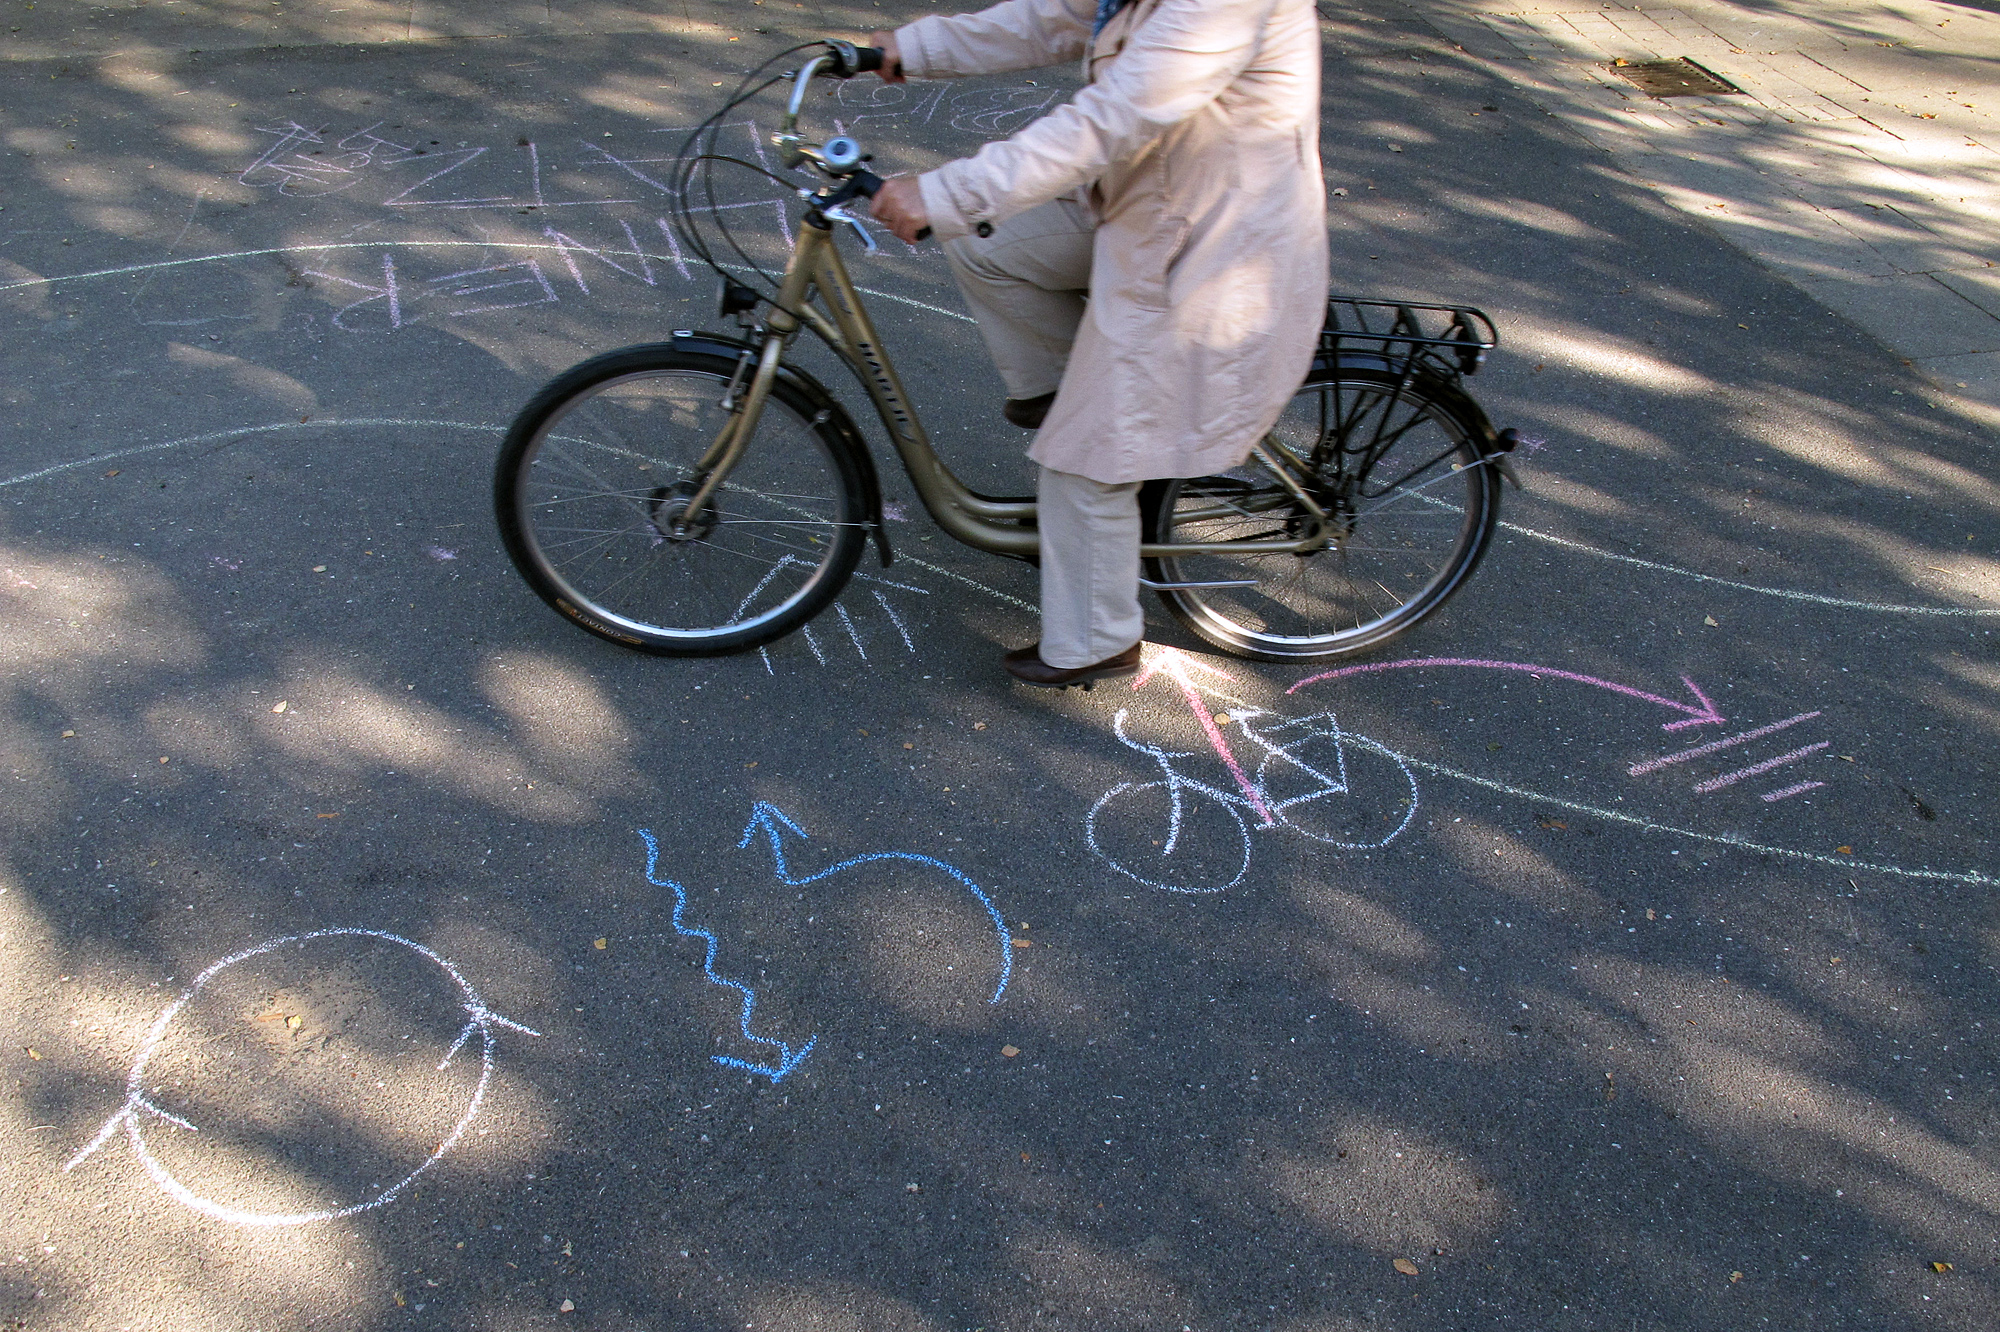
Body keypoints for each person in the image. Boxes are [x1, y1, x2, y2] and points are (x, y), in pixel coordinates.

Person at [864, 0, 1328, 687]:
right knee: (992, 249)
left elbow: (1115, 115)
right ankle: (1091, 442)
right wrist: (907, 47)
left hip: (1215, 247)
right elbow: (1051, 17)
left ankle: (1097, 640)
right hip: (1151, 206)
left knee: (1084, 457)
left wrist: (947, 191)